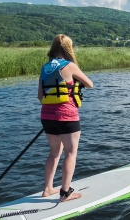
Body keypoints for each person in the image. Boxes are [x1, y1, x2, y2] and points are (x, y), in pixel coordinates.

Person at [38, 34, 94, 203]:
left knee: (54, 153)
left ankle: (47, 189)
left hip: (47, 116)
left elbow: (40, 96)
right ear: (68, 49)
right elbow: (90, 84)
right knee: (70, 153)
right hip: (67, 115)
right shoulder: (69, 66)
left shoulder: (45, 67)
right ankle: (65, 193)